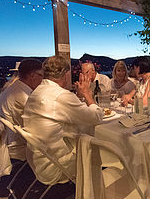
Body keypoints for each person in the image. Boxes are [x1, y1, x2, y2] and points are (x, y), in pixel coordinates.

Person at [23, 56, 103, 185]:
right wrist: (87, 93)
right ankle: (95, 191)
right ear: (66, 74)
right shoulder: (61, 95)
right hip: (55, 166)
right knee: (101, 145)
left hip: (38, 160)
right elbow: (96, 117)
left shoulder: (36, 92)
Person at [0, 58, 43, 160]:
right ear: (32, 75)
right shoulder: (22, 96)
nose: (42, 80)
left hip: (12, 138)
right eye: (42, 76)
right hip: (21, 145)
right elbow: (38, 124)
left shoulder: (14, 88)